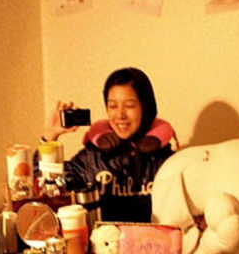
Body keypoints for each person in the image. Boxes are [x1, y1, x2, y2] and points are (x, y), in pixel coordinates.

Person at [41, 67, 176, 222]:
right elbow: (48, 187)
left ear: (146, 107)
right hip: (102, 237)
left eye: (129, 105)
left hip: (154, 237)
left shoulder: (167, 161)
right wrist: (50, 136)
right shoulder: (92, 157)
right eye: (113, 106)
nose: (120, 115)